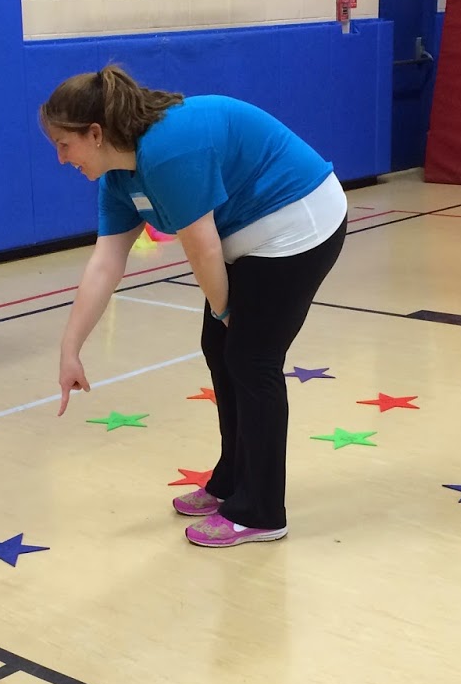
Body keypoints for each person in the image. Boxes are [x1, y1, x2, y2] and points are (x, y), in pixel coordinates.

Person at [42, 65, 346, 549]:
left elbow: (202, 249)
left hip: (298, 221)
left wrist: (228, 315)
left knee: (251, 359)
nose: (60, 158)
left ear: (95, 134)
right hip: (245, 238)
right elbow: (106, 263)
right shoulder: (118, 179)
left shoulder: (166, 151)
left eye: (64, 144)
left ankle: (262, 511)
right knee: (220, 346)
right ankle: (232, 479)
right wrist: (70, 349)